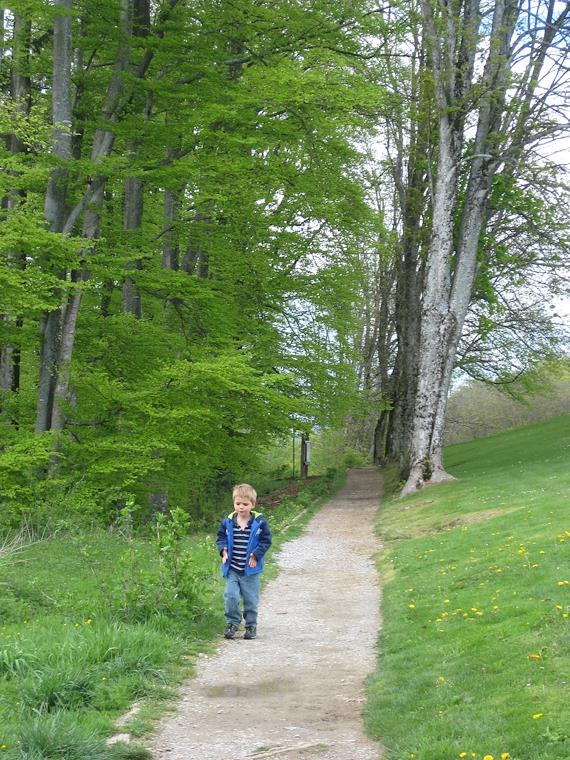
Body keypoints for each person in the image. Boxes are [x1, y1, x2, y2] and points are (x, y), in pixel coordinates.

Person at [216, 483, 272, 640]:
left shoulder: (259, 522)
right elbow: (220, 538)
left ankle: (251, 626)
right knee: (231, 596)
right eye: (238, 503)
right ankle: (232, 623)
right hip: (232, 568)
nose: (241, 507)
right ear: (234, 503)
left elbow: (266, 541)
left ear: (253, 504)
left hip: (250, 570)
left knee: (250, 600)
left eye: (245, 504)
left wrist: (256, 555)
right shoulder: (228, 522)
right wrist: (223, 551)